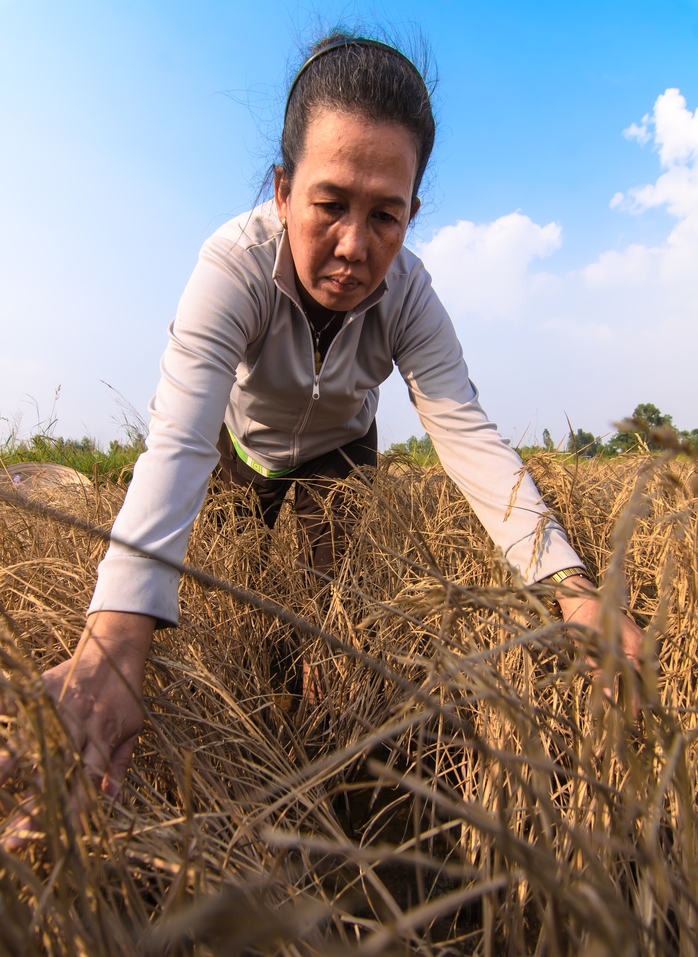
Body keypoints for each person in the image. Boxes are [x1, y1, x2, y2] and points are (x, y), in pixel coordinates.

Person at [2, 33, 642, 810]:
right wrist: (114, 639)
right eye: (330, 204)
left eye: (386, 217)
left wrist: (571, 586)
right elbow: (176, 442)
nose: (353, 246)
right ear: (282, 190)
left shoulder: (412, 297)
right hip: (238, 448)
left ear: (412, 213)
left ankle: (307, 748)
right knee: (238, 590)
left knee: (316, 616)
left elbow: (468, 436)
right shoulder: (231, 267)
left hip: (338, 458)